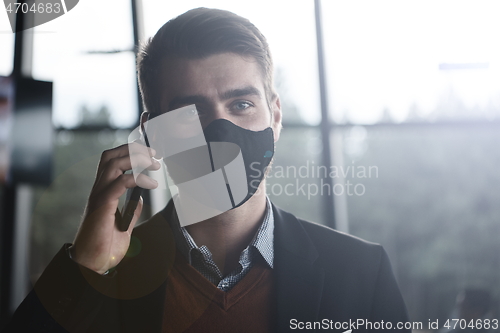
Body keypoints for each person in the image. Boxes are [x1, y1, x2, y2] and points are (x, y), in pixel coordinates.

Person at [5, 8, 410, 333]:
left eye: (241, 105)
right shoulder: (105, 277)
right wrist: (86, 265)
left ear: (276, 115)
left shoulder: (361, 272)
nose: (219, 131)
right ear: (153, 134)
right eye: (191, 112)